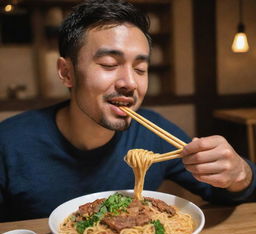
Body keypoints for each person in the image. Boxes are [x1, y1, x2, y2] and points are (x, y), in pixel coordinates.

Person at [0, 0, 255, 222]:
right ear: (67, 73)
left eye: (141, 69)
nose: (130, 82)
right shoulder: (9, 143)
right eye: (109, 64)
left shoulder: (154, 134)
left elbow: (224, 193)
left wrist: (238, 174)